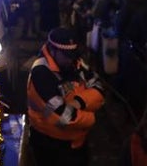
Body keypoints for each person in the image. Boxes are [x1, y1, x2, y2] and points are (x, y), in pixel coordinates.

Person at [25, 27, 105, 166]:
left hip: (77, 143)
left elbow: (99, 88)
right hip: (51, 146)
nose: (71, 60)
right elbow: (63, 118)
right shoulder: (41, 74)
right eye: (67, 56)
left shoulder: (74, 62)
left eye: (73, 55)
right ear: (53, 50)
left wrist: (79, 102)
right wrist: (91, 118)